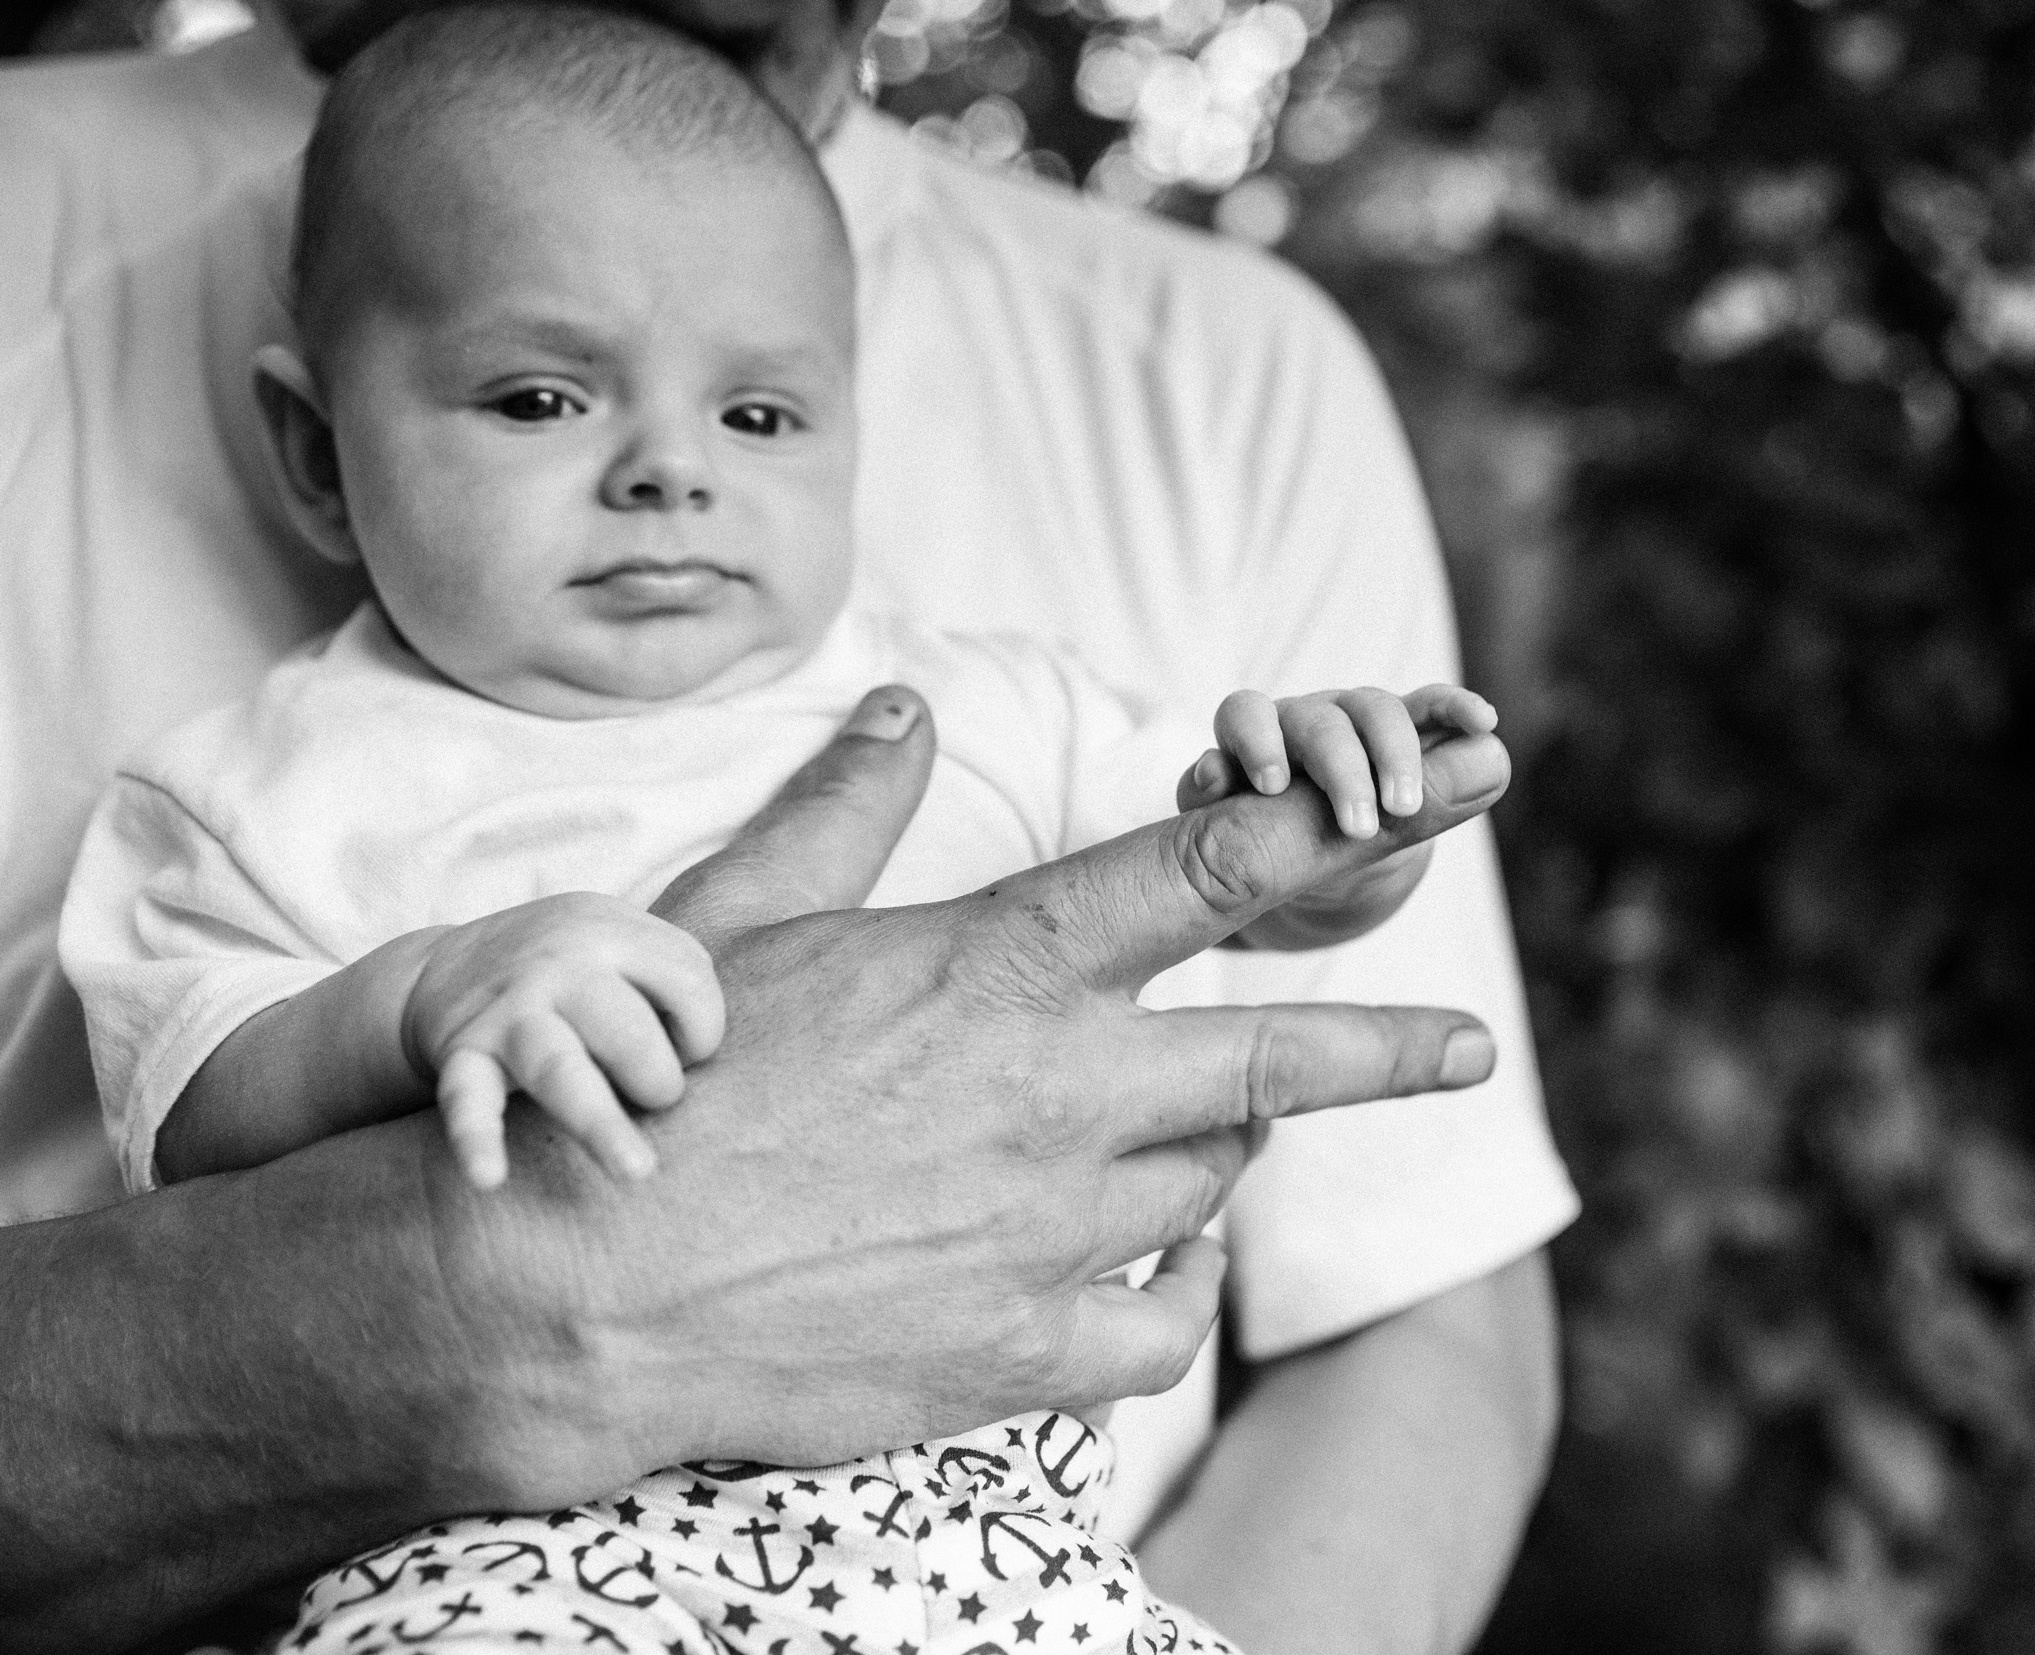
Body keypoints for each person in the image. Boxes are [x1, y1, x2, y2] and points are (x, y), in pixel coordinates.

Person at [0, 1, 1575, 1650]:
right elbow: (192, 1089)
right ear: (319, 457)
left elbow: (1230, 891)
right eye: (540, 402)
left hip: (1015, 1576)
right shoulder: (266, 784)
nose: (668, 473)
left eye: (759, 420)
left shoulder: (994, 700)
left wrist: (1342, 819)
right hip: (499, 1584)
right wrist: (426, 1005)